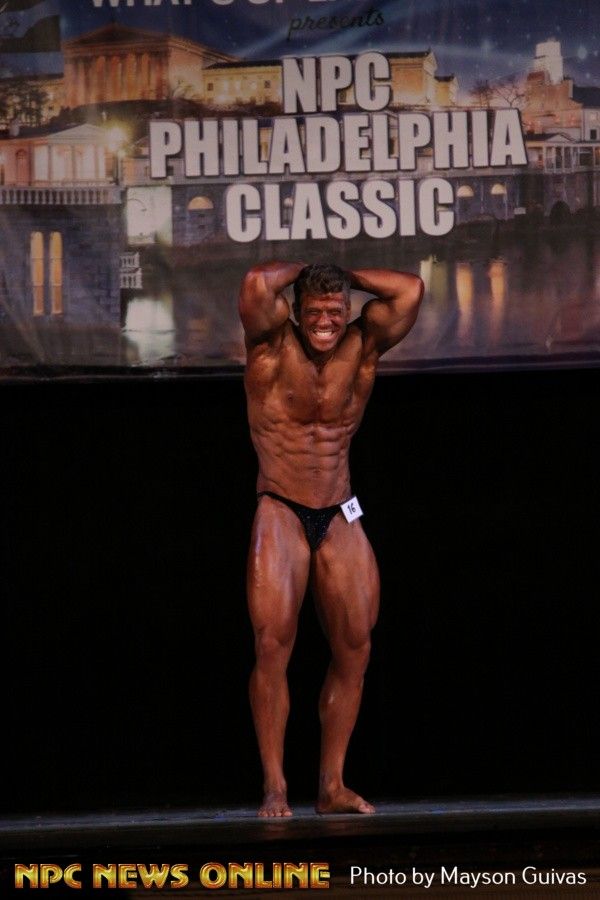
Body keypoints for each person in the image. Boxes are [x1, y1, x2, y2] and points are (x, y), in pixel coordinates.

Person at [239, 260, 423, 817]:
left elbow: (411, 290)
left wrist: (345, 277)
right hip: (281, 507)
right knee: (273, 645)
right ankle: (275, 786)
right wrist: (306, 272)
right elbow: (256, 284)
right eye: (315, 311)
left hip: (340, 509)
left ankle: (331, 785)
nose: (325, 322)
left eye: (335, 311)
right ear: (297, 312)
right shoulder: (271, 346)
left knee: (356, 646)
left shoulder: (362, 346)